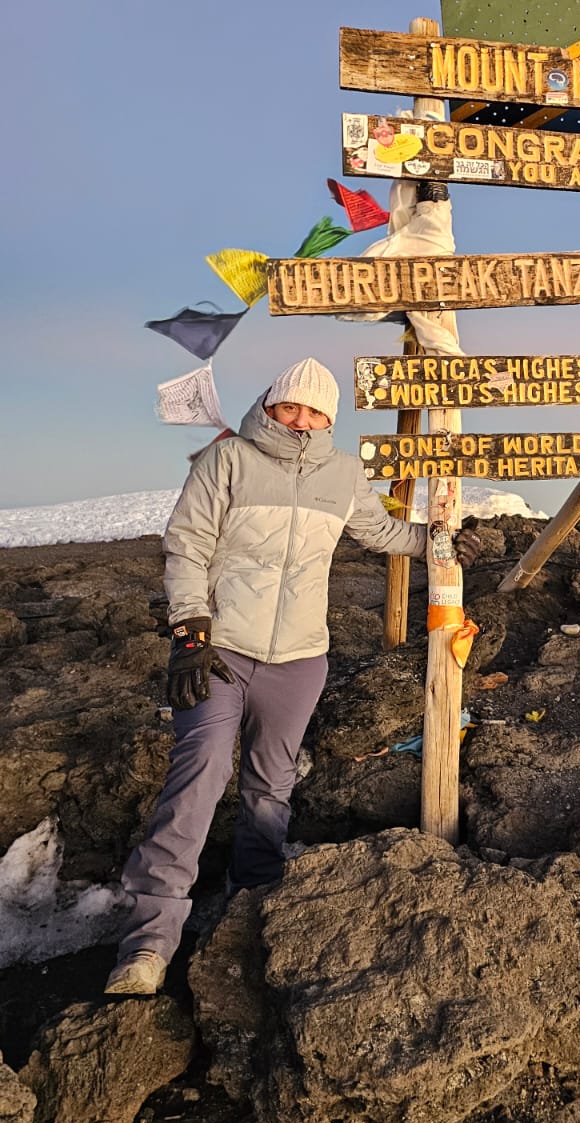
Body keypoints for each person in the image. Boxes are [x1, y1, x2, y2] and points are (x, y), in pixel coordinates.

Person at [105, 357, 484, 995]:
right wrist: (190, 630)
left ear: (329, 418)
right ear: (271, 405)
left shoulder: (341, 473)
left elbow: (381, 531)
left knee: (272, 784)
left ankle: (249, 902)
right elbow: (188, 543)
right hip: (218, 648)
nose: (301, 419)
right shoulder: (226, 461)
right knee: (199, 774)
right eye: (291, 407)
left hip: (301, 657)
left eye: (315, 411)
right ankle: (148, 942)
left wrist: (442, 544)